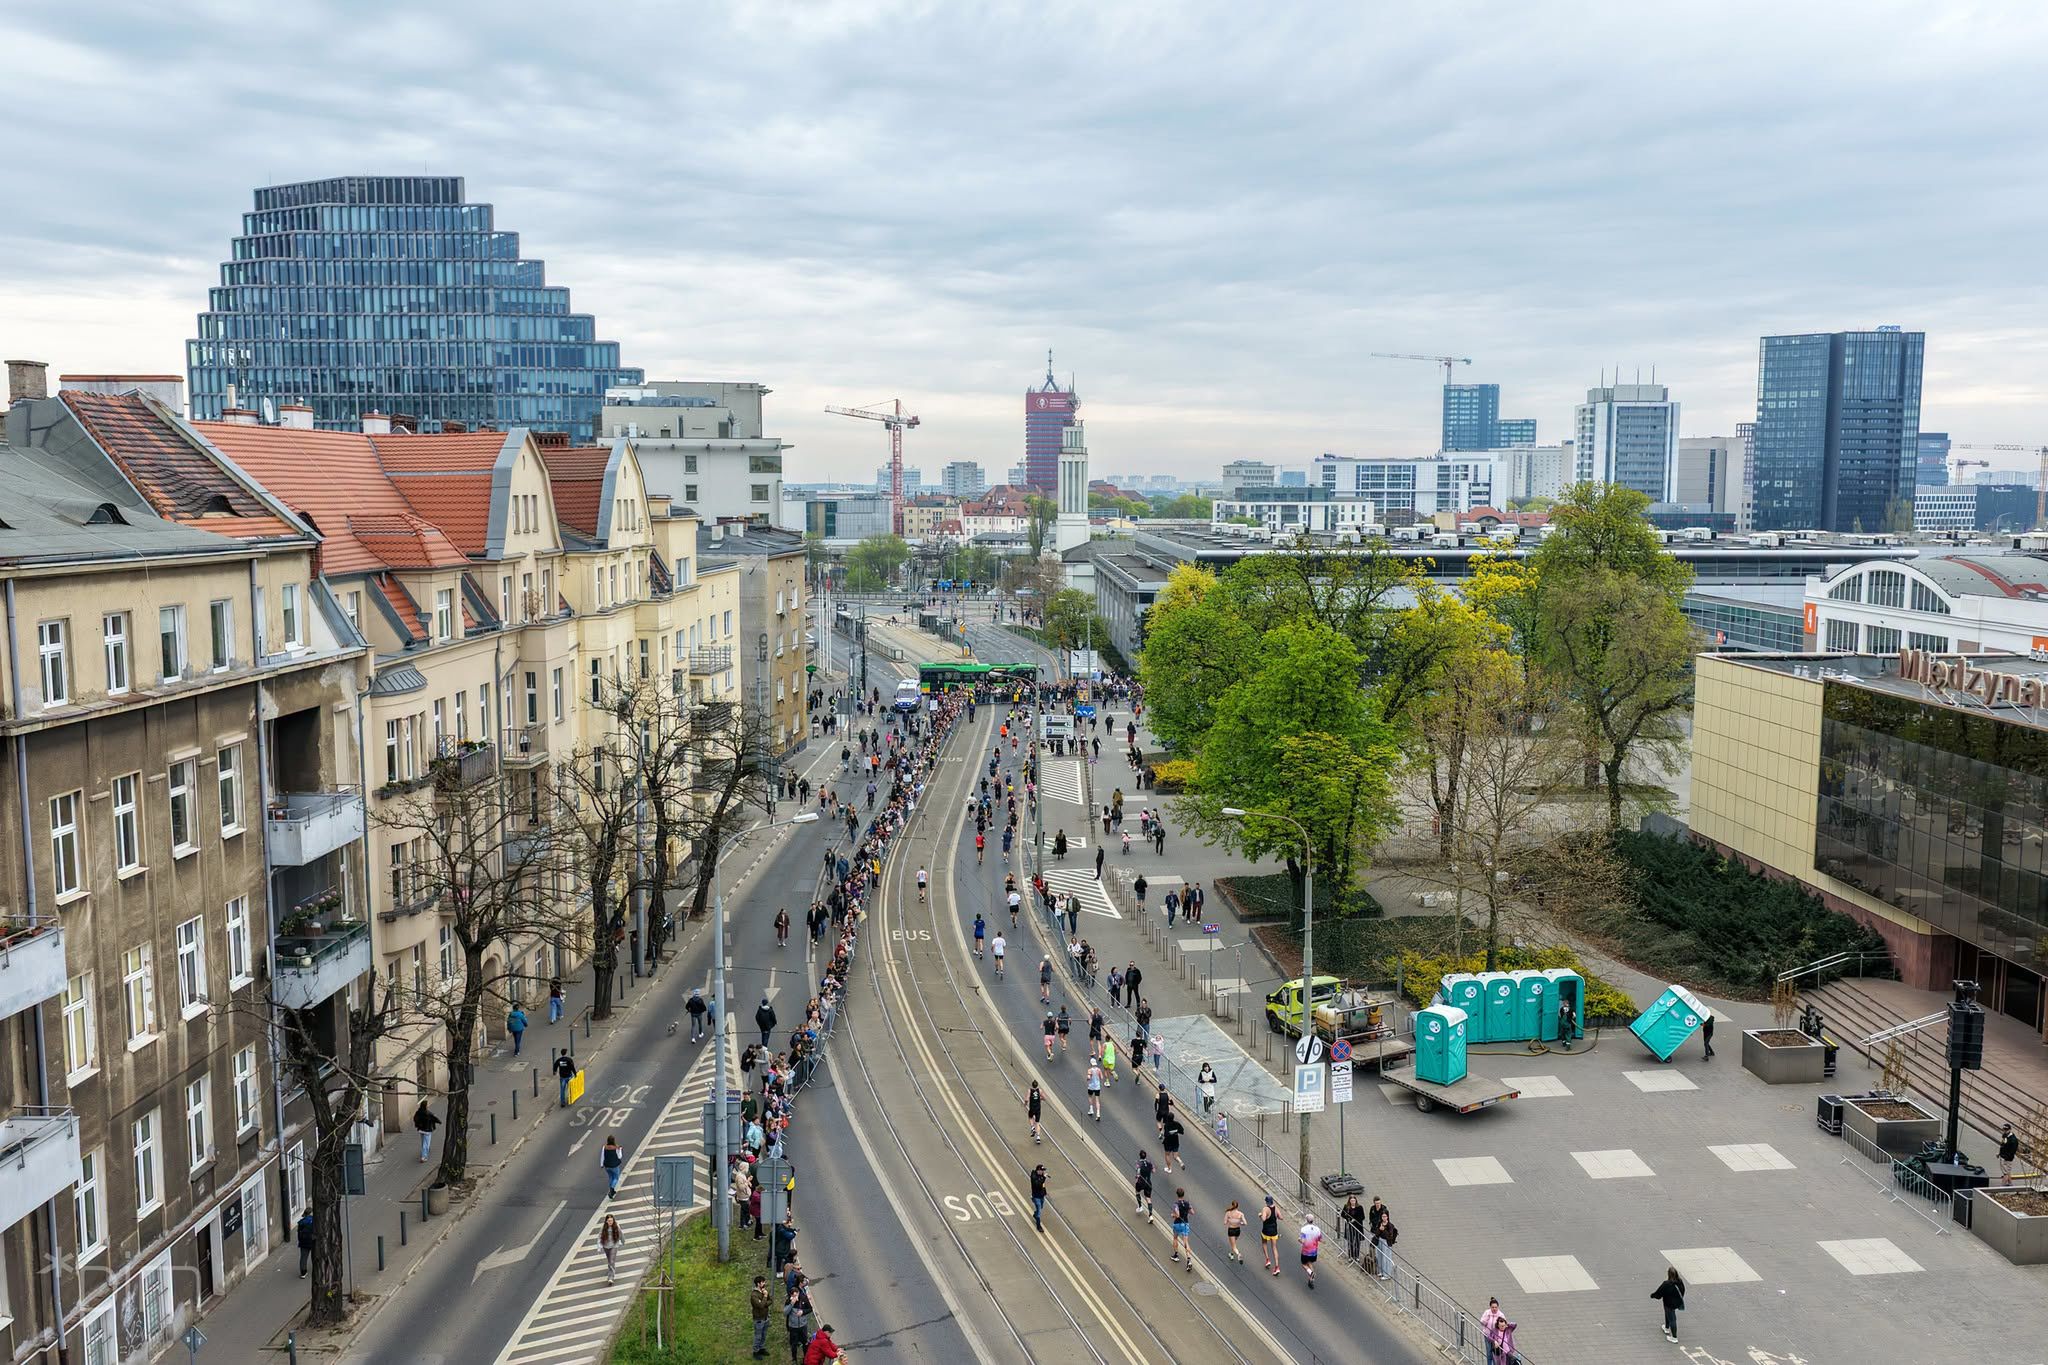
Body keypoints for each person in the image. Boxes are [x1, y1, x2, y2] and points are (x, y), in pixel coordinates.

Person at [1651, 1265, 1686, 1342]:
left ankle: (1674, 1337)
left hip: (1668, 1303)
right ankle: (1666, 1327)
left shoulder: (1667, 1284)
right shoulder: (1680, 1281)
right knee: (1668, 1314)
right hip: (1677, 1302)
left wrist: (1653, 1295)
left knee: (1672, 1318)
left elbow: (1659, 1293)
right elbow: (1683, 1290)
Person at [784, 1291, 812, 1364]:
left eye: (796, 1295)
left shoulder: (804, 1299)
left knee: (805, 1343)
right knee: (794, 1344)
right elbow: (785, 1312)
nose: (795, 1297)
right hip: (793, 1327)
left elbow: (810, 1309)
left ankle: (805, 1359)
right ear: (791, 1296)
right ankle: (794, 1359)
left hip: (803, 1326)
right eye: (793, 1296)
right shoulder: (788, 1301)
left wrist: (803, 1312)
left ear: (799, 1294)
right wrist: (791, 1304)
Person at [751, 1275, 775, 1358]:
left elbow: (770, 1300)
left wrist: (764, 1302)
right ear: (758, 1284)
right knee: (758, 1336)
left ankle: (761, 1348)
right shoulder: (754, 1295)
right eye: (763, 1282)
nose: (764, 1283)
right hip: (759, 1319)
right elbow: (760, 1306)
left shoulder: (764, 1291)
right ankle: (756, 1351)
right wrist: (765, 1297)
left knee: (764, 1335)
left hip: (765, 1317)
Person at [1170, 1189, 1194, 1269]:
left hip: (1177, 1224)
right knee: (1186, 1242)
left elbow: (1177, 1215)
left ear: (1177, 1195)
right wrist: (1186, 1211)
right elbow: (1192, 1212)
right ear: (1183, 1195)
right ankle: (1189, 1260)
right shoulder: (1187, 1203)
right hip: (1185, 1223)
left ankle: (1176, 1255)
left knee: (1175, 1238)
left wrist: (1173, 1215)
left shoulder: (1176, 1204)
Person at [598, 1214, 625, 1285]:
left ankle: (611, 1277)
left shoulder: (616, 1226)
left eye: (611, 1221)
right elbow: (600, 1237)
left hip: (614, 1245)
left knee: (612, 1261)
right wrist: (599, 1246)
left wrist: (623, 1241)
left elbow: (621, 1234)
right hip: (606, 1246)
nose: (610, 1222)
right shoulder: (603, 1227)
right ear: (606, 1221)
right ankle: (610, 1271)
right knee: (609, 1260)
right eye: (609, 1221)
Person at [1298, 1213, 1322, 1287]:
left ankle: (1311, 1273)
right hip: (1314, 1251)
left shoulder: (1304, 1229)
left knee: (1304, 1264)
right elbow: (1320, 1239)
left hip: (1305, 1251)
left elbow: (1303, 1240)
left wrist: (1299, 1240)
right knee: (1310, 1263)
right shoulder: (1317, 1229)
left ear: (1306, 1220)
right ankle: (1311, 1279)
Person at [1340, 1195, 1367, 1260]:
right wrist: (1347, 1219)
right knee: (1350, 1242)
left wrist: (1355, 1220)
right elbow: (1342, 1214)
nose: (1353, 1202)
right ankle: (1351, 1256)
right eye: (1351, 1200)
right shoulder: (1346, 1207)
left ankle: (1356, 1256)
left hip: (1358, 1227)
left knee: (1357, 1242)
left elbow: (1362, 1217)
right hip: (1350, 1227)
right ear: (1349, 1201)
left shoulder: (1360, 1207)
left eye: (1354, 1200)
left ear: (1356, 1201)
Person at [1259, 1196, 1281, 1275]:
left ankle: (1267, 1259)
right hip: (1274, 1231)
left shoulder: (1265, 1209)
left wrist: (1260, 1215)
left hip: (1266, 1230)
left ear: (1267, 1202)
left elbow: (1263, 1219)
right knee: (1274, 1248)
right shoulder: (1276, 1208)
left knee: (1264, 1243)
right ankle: (1277, 1267)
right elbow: (1281, 1217)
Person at [1373, 1211, 1397, 1280]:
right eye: (1383, 1216)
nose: (1384, 1218)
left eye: (1385, 1216)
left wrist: (1383, 1230)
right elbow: (1376, 1233)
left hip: (1386, 1242)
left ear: (1387, 1217)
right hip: (1380, 1241)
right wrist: (1379, 1230)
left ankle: (1387, 1274)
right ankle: (1381, 1271)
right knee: (1379, 1256)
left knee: (1386, 1258)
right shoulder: (1380, 1223)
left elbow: (1390, 1236)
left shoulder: (1390, 1225)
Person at [1133, 1149, 1156, 1221]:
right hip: (1148, 1182)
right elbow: (1154, 1171)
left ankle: (1140, 1206)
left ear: (1139, 1156)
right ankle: (1150, 1215)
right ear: (1146, 1156)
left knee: (1137, 1192)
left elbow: (1138, 1173)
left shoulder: (1138, 1164)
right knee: (1148, 1199)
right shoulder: (1150, 1163)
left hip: (1141, 1182)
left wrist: (1137, 1177)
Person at [1480, 1299, 1503, 1365]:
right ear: (1490, 1307)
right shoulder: (1487, 1313)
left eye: (1496, 1307)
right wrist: (1487, 1318)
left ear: (1498, 1307)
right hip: (1487, 1336)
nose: (1494, 1309)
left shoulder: (1500, 1315)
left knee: (1495, 1354)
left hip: (1496, 1338)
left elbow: (1503, 1326)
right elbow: (1482, 1322)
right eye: (1492, 1307)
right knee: (1489, 1352)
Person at [1030, 1164, 1050, 1231]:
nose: (1043, 1172)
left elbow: (1042, 1185)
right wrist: (1043, 1178)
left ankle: (1035, 1215)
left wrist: (1044, 1192)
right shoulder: (1034, 1176)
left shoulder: (1041, 1176)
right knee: (1039, 1211)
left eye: (1043, 1170)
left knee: (1041, 1207)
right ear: (1038, 1170)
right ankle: (1038, 1226)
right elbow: (1037, 1184)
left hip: (1041, 1196)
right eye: (1042, 1170)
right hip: (1036, 1196)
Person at [296, 1209, 315, 1278]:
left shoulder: (301, 1222)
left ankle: (303, 1273)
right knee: (315, 1255)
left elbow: (299, 1234)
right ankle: (317, 1269)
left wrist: (300, 1242)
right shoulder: (314, 1220)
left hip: (303, 1242)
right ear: (311, 1213)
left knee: (303, 1257)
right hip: (313, 1241)